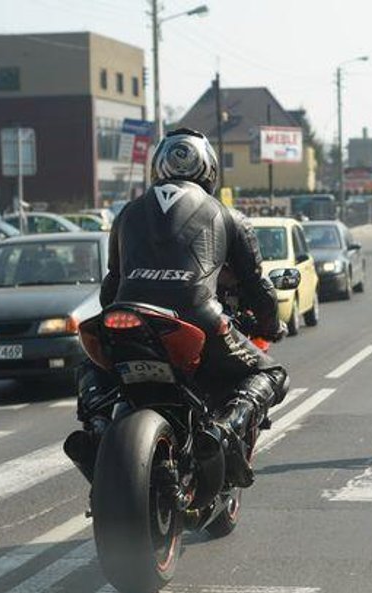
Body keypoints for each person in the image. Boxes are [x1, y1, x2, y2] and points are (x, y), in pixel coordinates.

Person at [64, 128, 289, 487]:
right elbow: (255, 284)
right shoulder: (227, 215)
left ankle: (96, 428)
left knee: (91, 367)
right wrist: (270, 324)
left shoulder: (127, 214)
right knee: (273, 374)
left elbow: (112, 284)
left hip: (129, 316)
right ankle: (226, 429)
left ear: (158, 166)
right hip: (198, 321)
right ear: (210, 170)